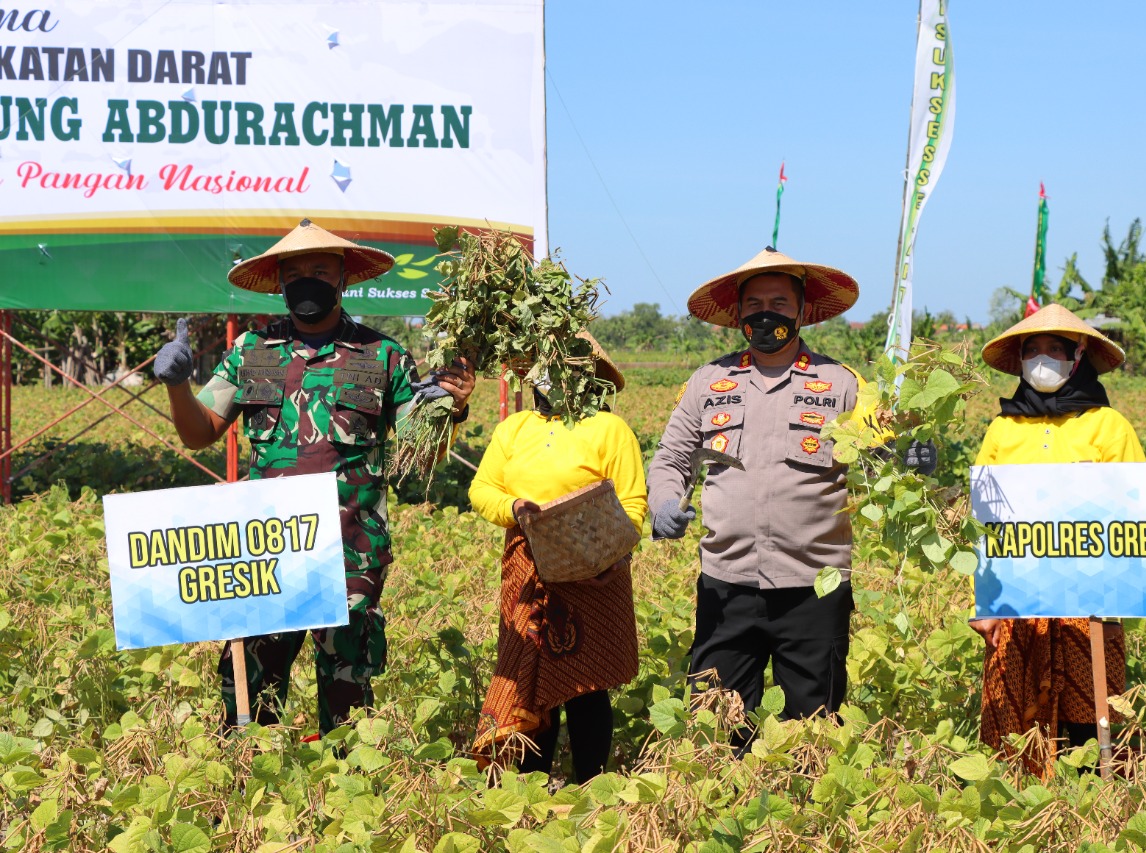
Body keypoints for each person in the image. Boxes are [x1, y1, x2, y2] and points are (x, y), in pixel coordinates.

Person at [152, 218, 475, 734]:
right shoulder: (250, 352)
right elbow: (201, 432)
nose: (307, 280)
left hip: (350, 551)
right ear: (279, 281)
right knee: (251, 687)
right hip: (265, 547)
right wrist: (176, 385)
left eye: (320, 270)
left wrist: (450, 410)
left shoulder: (384, 355)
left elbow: (419, 452)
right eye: (295, 271)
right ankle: (244, 796)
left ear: (343, 278)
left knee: (347, 690)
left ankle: (346, 797)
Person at [647, 246, 935, 743]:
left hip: (813, 586)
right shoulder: (709, 382)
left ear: (802, 312)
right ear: (738, 314)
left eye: (779, 303)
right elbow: (672, 457)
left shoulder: (840, 385)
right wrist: (665, 503)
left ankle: (802, 818)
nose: (766, 313)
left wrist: (914, 456)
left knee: (812, 730)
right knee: (718, 729)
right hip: (726, 582)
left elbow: (882, 453)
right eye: (755, 303)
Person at [970, 303, 1145, 773]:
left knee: (1090, 709)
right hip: (1016, 592)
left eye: (1055, 349)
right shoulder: (1002, 429)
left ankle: (1092, 801)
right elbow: (984, 523)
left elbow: (1138, 511)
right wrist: (984, 603)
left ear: (1078, 355)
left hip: (1090, 592)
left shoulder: (1109, 426)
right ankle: (1020, 800)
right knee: (1014, 710)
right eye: (1033, 350)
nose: (1042, 359)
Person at [468, 333, 644, 782]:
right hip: (527, 566)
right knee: (529, 676)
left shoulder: (610, 429)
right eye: (545, 365)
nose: (553, 375)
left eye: (568, 366)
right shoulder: (515, 428)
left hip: (595, 566)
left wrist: (607, 552)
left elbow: (633, 502)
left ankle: (592, 785)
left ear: (589, 376)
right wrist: (514, 509)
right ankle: (530, 786)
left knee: (587, 685)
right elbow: (482, 489)